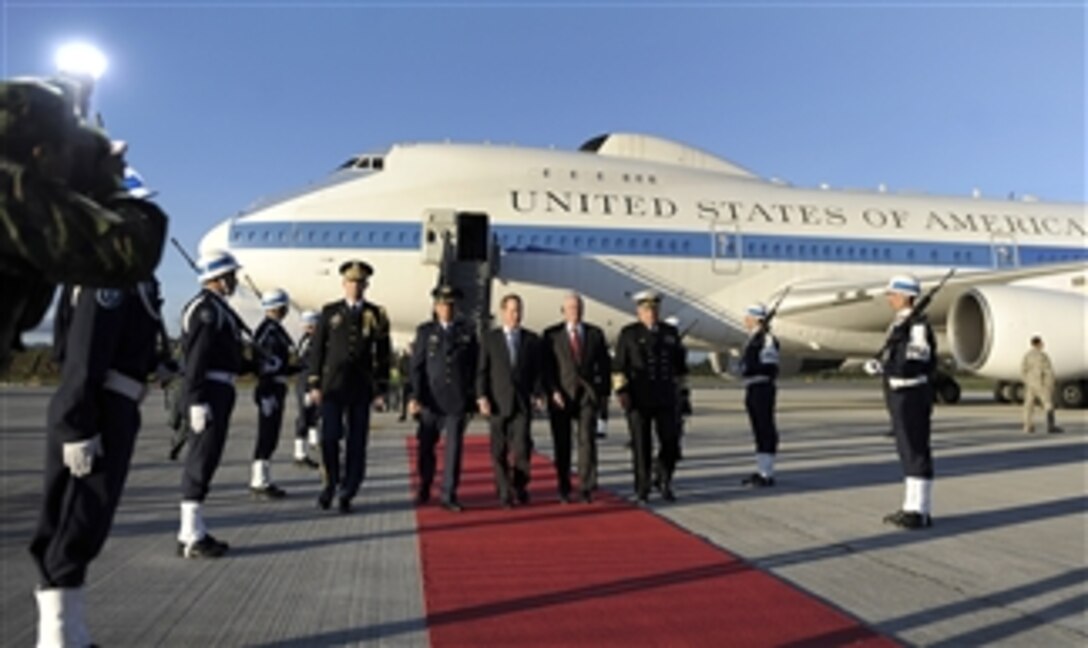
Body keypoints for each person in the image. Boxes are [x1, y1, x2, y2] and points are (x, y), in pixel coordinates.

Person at [29, 275, 167, 646]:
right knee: (76, 519)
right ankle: (58, 637)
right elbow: (83, 350)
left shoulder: (131, 278)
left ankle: (69, 632)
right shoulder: (107, 276)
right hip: (97, 408)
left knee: (88, 520)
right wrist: (77, 426)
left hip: (110, 404)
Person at [1, 79, 167, 371]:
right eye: (66, 149)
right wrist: (110, 187)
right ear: (40, 151)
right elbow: (129, 254)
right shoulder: (14, 193)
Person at [177, 250, 246, 558]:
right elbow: (196, 358)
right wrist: (195, 400)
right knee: (202, 457)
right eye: (230, 275)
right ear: (217, 277)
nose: (235, 279)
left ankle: (192, 530)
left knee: (209, 456)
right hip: (209, 389)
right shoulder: (206, 310)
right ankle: (191, 534)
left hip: (221, 387)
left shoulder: (219, 309)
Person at [307, 260, 391, 514]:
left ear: (366, 285)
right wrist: (314, 382)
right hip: (333, 387)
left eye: (360, 282)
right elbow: (317, 350)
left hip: (361, 387)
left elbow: (383, 354)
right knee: (330, 437)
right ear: (344, 284)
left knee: (357, 442)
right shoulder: (330, 312)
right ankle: (330, 483)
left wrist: (381, 388)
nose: (355, 286)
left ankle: (348, 490)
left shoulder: (376, 314)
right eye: (351, 282)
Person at [866, 274, 937, 530]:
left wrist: (885, 369)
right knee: (907, 449)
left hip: (911, 393)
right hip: (900, 393)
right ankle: (911, 507)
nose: (889, 298)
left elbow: (916, 361)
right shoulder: (901, 322)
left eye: (893, 294)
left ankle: (920, 511)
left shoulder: (917, 326)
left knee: (915, 449)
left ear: (907, 296)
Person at [613, 290, 687, 504]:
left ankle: (663, 479)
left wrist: (683, 395)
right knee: (641, 445)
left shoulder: (670, 333)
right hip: (638, 397)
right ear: (639, 311)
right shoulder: (629, 334)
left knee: (671, 442)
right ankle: (642, 488)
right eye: (646, 310)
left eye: (654, 309)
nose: (651, 313)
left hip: (665, 396)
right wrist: (622, 392)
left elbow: (680, 369)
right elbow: (618, 367)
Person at [409, 286, 479, 512]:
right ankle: (426, 484)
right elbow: (416, 368)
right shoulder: (425, 332)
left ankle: (449, 493)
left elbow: (475, 368)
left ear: (456, 307)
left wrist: (475, 397)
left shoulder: (467, 331)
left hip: (456, 400)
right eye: (442, 305)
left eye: (450, 305)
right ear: (435, 307)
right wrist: (415, 396)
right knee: (426, 447)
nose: (446, 309)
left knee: (454, 450)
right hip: (431, 400)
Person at [542, 292, 611, 504]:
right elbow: (547, 368)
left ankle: (586, 486)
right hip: (561, 396)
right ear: (563, 311)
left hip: (586, 397)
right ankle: (563, 486)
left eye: (578, 307)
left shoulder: (595, 334)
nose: (575, 311)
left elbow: (605, 367)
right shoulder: (551, 335)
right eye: (571, 308)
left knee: (586, 442)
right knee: (562, 444)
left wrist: (602, 394)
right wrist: (552, 391)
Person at [476, 294, 543, 507]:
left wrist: (538, 393)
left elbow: (537, 372)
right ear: (503, 312)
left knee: (522, 449)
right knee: (499, 451)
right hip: (497, 402)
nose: (516, 315)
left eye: (519, 310)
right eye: (512, 310)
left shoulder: (531, 340)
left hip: (522, 404)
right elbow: (482, 371)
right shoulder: (490, 339)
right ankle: (504, 492)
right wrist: (481, 396)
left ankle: (520, 486)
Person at [250, 288, 298, 499]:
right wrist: (267, 392)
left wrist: (299, 368)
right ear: (279, 307)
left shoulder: (274, 329)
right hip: (269, 388)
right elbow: (265, 365)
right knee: (267, 435)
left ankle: (264, 478)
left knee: (272, 435)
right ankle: (259, 481)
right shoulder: (268, 331)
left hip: (277, 385)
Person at [739, 303, 781, 487]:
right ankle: (761, 469)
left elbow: (770, 367)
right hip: (752, 387)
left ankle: (767, 472)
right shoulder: (753, 338)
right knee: (758, 428)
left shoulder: (767, 339)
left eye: (748, 317)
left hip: (762, 387)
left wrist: (748, 369)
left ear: (756, 319)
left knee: (765, 428)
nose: (745, 320)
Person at [292, 310, 321, 469]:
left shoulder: (307, 340)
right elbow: (307, 365)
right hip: (306, 383)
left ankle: (313, 442)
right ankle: (300, 454)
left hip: (308, 382)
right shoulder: (310, 341)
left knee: (312, 414)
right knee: (304, 416)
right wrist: (310, 388)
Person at [1021, 336, 1062, 434]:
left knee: (1028, 406)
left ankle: (1028, 426)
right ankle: (1050, 426)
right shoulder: (1043, 356)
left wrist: (1027, 381)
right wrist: (1051, 383)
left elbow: (1023, 370)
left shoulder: (1027, 355)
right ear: (1038, 344)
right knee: (1048, 404)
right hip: (1041, 383)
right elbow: (1048, 371)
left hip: (1030, 383)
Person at [397, 348, 412, 422]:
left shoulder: (411, 358)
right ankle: (404, 414)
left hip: (410, 380)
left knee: (412, 398)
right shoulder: (403, 360)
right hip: (406, 380)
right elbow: (400, 369)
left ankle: (414, 413)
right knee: (404, 399)